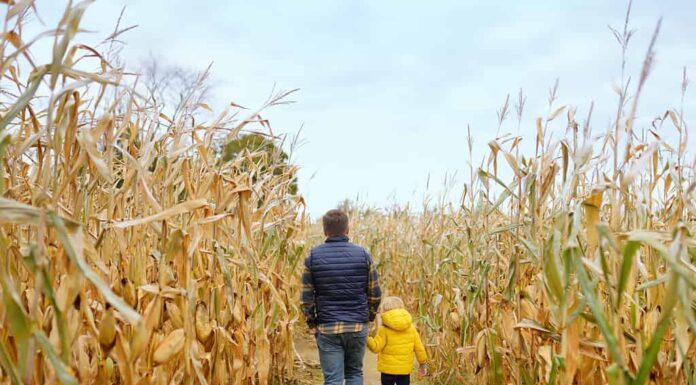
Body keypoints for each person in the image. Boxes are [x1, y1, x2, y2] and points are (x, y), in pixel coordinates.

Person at [300, 209, 382, 385]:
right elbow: (375, 293)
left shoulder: (313, 256)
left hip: (327, 327)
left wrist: (312, 323)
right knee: (354, 374)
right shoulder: (363, 254)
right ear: (347, 229)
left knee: (333, 379)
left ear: (324, 231)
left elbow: (306, 297)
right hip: (357, 326)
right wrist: (368, 317)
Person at [367, 296, 428, 385]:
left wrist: (366, 337)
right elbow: (419, 349)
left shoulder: (383, 330)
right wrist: (423, 364)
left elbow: (376, 347)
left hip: (387, 371)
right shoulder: (411, 329)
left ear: (384, 311)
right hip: (404, 371)